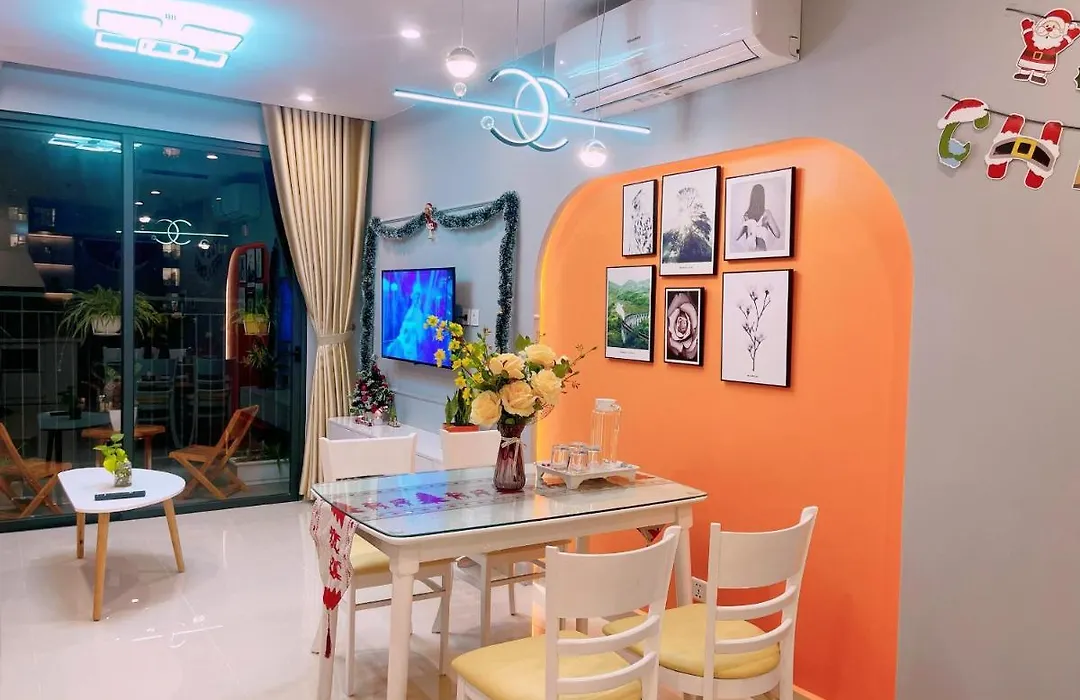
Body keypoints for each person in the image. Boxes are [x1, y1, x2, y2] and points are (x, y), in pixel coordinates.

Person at [735, 184, 781, 252]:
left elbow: (736, 237)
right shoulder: (766, 214)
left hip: (749, 254)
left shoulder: (746, 216)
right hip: (761, 253)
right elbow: (777, 234)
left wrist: (747, 224)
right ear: (762, 198)